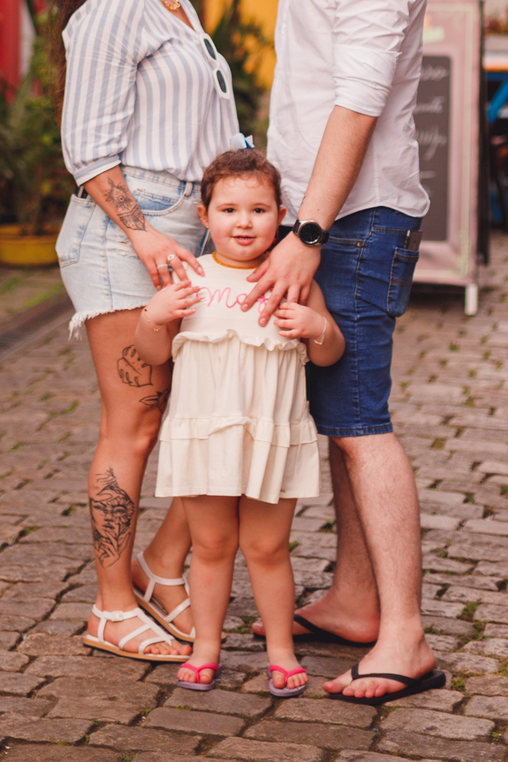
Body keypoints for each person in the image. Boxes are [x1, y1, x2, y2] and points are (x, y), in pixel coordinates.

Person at [240, 0, 448, 706]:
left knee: (362, 422)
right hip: (332, 212)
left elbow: (358, 99)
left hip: (357, 218)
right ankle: (359, 601)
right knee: (339, 418)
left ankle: (406, 636)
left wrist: (309, 230)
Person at [55, 0, 241, 661]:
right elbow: (88, 150)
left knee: (201, 410)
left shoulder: (175, 5)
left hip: (187, 229)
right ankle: (111, 607)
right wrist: (144, 233)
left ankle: (162, 567)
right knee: (132, 423)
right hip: (125, 234)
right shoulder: (111, 9)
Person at [133, 149, 343, 696]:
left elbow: (328, 354)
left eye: (258, 210)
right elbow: (154, 353)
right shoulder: (190, 278)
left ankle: (281, 650)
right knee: (210, 546)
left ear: (281, 216)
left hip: (270, 438)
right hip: (205, 437)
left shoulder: (293, 281)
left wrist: (316, 326)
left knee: (268, 549)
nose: (244, 222)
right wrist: (154, 317)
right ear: (205, 216)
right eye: (229, 210)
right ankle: (206, 646)